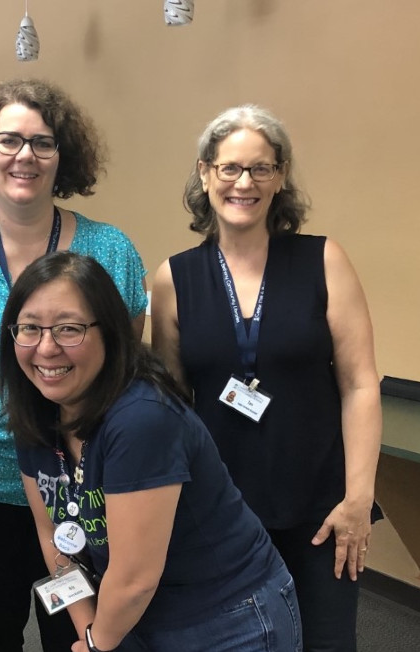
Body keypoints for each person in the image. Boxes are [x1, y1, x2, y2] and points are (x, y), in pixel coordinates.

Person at [0, 78, 148, 651]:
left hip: (81, 491)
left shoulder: (109, 251)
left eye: (42, 143)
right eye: (9, 140)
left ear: (63, 157)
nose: (24, 156)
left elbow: (124, 362)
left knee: (79, 636)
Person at [151, 105, 381, 651]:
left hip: (322, 509)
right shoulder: (173, 278)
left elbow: (360, 384)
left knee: (326, 641)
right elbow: (172, 400)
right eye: (230, 168)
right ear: (205, 173)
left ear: (280, 178)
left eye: (261, 168)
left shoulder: (324, 260)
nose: (244, 182)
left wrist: (358, 499)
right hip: (221, 510)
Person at [0, 251, 302, 652]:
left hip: (227, 618)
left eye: (69, 329)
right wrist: (89, 629)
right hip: (132, 616)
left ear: (109, 331)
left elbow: (135, 579)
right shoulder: (36, 412)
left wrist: (97, 643)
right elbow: (54, 536)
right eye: (29, 328)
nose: (46, 348)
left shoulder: (142, 417)